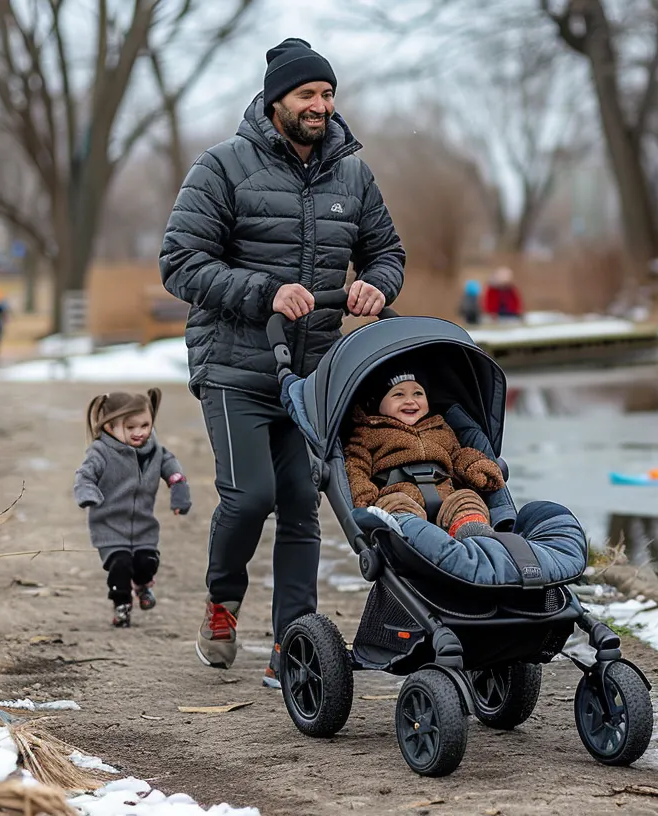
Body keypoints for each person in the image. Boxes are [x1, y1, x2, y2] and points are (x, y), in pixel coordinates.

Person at [158, 37, 405, 686]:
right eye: (308, 95)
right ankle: (221, 603)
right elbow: (180, 264)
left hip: (315, 377)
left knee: (301, 500)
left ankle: (293, 647)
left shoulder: (352, 174)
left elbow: (386, 252)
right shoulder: (223, 168)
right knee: (250, 497)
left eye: (328, 94)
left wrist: (377, 284)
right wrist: (263, 293)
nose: (321, 106)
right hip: (236, 366)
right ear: (277, 104)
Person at [73, 389, 192, 628]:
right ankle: (122, 605)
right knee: (120, 566)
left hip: (143, 526)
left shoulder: (155, 451)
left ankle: (143, 583)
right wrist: (88, 494)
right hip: (109, 527)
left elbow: (173, 470)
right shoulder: (100, 452)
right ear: (109, 427)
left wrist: (179, 490)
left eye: (145, 425)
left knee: (146, 562)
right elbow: (84, 477)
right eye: (131, 427)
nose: (140, 432)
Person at [343, 367, 506, 539]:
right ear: (378, 403)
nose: (410, 401)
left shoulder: (440, 427)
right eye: (398, 394)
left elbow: (458, 455)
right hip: (400, 494)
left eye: (418, 394)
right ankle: (414, 540)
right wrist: (364, 497)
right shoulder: (369, 432)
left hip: (445, 493)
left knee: (466, 499)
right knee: (397, 508)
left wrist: (475, 467)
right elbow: (356, 466)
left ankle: (474, 535)